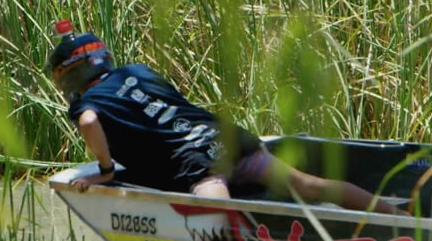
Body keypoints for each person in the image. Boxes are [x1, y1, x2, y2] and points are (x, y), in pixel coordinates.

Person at [45, 22, 405, 216]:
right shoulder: (137, 70)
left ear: (69, 76)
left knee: (218, 213)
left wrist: (105, 170)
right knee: (312, 186)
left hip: (198, 163)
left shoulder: (88, 101)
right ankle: (399, 218)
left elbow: (90, 122)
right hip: (232, 140)